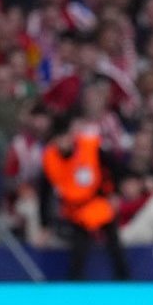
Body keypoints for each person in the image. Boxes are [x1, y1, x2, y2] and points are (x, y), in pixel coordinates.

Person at [42, 115, 130, 280]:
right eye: (59, 138)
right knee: (79, 247)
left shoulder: (89, 146)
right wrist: (44, 224)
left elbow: (114, 167)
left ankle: (124, 279)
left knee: (114, 242)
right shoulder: (50, 158)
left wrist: (115, 193)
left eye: (66, 136)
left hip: (97, 202)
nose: (64, 141)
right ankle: (76, 282)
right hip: (74, 210)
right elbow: (44, 191)